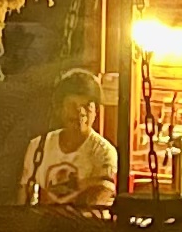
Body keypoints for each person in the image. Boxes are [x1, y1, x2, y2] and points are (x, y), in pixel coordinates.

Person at [19, 80, 117, 213]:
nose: (80, 112)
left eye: (87, 106)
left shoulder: (104, 152)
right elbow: (25, 193)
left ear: (96, 111)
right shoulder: (38, 146)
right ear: (59, 109)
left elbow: (101, 194)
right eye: (72, 105)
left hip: (86, 224)